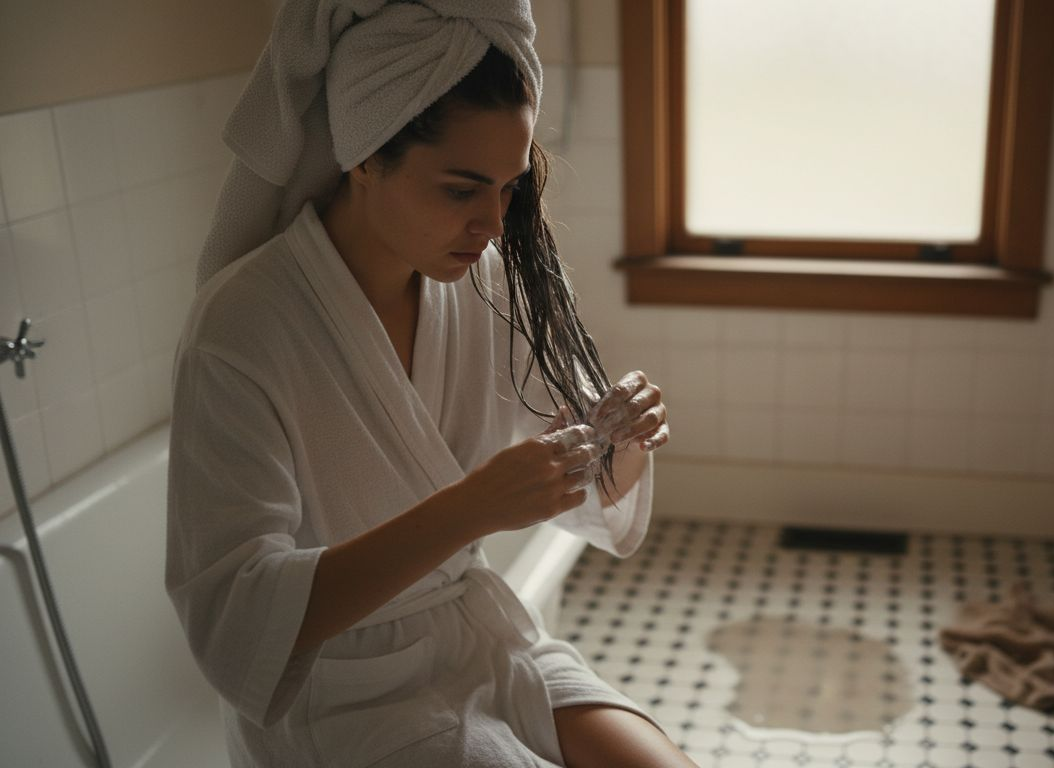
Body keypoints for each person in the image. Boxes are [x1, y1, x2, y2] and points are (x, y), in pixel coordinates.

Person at [165, 1, 691, 765]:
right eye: (460, 189)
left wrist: (623, 445)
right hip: (346, 694)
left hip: (481, 642)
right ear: (365, 156)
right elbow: (234, 622)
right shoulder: (244, 325)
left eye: (509, 189)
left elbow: (582, 490)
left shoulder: (486, 287)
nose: (492, 224)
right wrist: (469, 509)